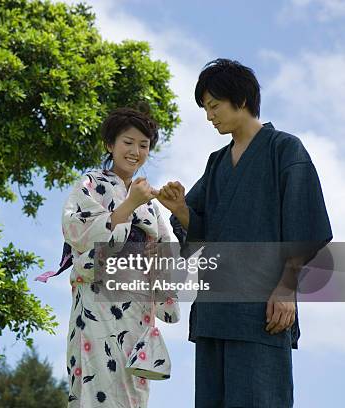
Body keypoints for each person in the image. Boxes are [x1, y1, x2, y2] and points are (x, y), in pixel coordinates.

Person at [157, 59, 332, 407]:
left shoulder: (285, 149)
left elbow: (305, 224)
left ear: (241, 99)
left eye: (214, 106)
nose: (209, 117)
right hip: (214, 312)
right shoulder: (216, 163)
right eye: (206, 109)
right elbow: (203, 232)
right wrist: (181, 210)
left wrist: (286, 288)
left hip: (261, 313)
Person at [52, 107, 180, 407]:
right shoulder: (91, 184)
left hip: (136, 307)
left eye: (144, 145)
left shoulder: (151, 203)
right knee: (96, 383)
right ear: (110, 144)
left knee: (132, 392)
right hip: (98, 301)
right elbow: (76, 232)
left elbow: (166, 251)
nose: (136, 151)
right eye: (128, 142)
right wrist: (128, 205)